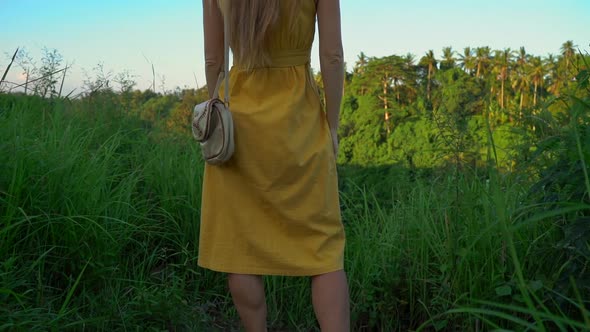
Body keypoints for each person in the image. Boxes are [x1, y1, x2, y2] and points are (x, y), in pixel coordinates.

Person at [198, 0, 349, 331]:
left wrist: (217, 116)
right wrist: (333, 126)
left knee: (241, 247)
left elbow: (213, 60)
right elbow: (333, 57)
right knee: (323, 251)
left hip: (240, 123)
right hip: (301, 119)